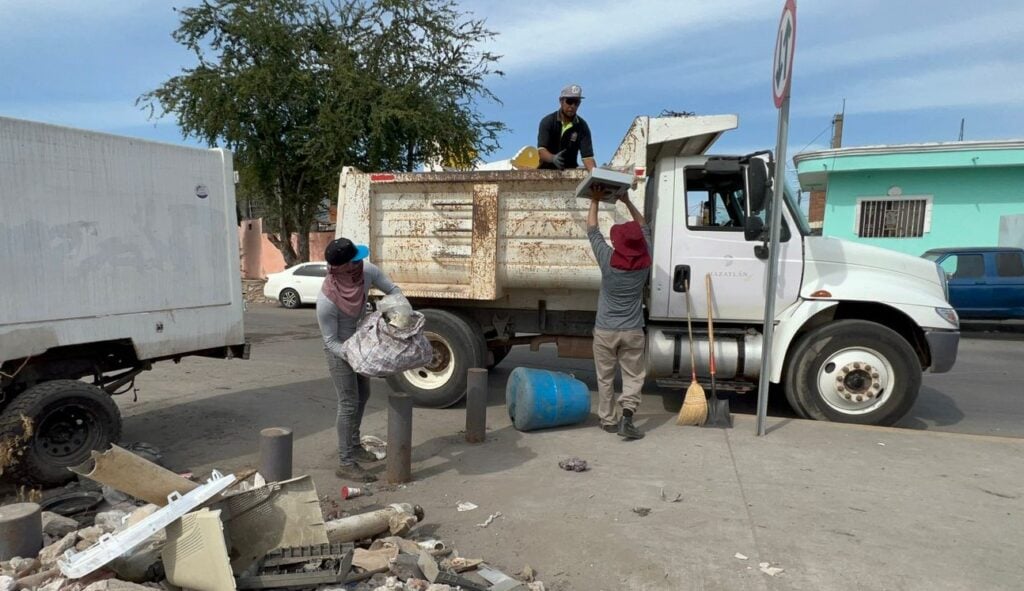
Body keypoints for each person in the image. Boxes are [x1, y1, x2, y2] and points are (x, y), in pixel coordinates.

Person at [317, 237, 402, 482]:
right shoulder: (327, 300)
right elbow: (330, 341)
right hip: (340, 351)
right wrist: (355, 356)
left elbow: (393, 290)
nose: (359, 263)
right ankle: (345, 462)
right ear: (341, 267)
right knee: (348, 403)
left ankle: (354, 445)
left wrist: (400, 312)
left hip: (361, 345)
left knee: (363, 395)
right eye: (353, 261)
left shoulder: (366, 272)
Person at [586, 189, 653, 440]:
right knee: (633, 376)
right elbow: (643, 226)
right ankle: (627, 417)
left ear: (618, 243)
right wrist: (627, 200)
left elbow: (592, 230)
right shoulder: (646, 259)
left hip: (605, 330)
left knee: (605, 378)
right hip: (633, 329)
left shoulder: (608, 259)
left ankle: (608, 421)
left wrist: (594, 198)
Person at [538, 84, 596, 171]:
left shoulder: (582, 126)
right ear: (561, 101)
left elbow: (587, 157)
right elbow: (541, 151)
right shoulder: (547, 121)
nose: (572, 106)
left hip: (569, 173)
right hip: (545, 173)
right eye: (569, 101)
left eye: (576, 102)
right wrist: (552, 158)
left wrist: (596, 177)